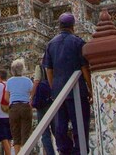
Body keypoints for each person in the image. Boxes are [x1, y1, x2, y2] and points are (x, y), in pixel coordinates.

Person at [43, 13, 91, 155]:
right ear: (73, 26)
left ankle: (64, 150)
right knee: (80, 124)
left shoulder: (51, 44)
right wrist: (91, 89)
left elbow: (49, 70)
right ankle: (80, 150)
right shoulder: (78, 42)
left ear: (59, 26)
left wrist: (54, 88)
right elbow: (84, 68)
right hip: (78, 90)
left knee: (60, 125)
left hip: (59, 91)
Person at [6, 58, 34, 149]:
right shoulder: (28, 80)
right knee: (25, 134)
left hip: (13, 107)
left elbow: (6, 98)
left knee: (15, 135)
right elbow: (32, 94)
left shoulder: (9, 81)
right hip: (25, 106)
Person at [33, 65, 55, 155]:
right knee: (56, 129)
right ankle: (63, 150)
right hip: (52, 100)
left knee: (44, 132)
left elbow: (36, 81)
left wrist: (31, 96)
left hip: (41, 103)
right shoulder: (54, 63)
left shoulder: (39, 66)